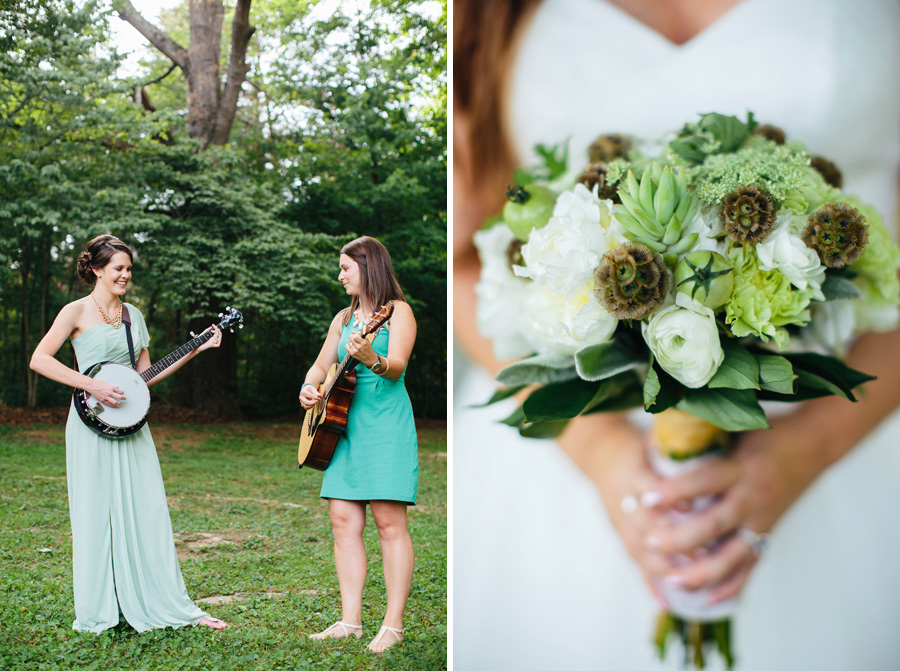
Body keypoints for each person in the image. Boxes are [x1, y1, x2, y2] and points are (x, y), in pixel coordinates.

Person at [453, 0, 900, 669]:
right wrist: (604, 456)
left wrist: (804, 452)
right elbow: (464, 250)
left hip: (849, 439)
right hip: (565, 465)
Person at [29, 234, 228, 633]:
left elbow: (144, 377)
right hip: (89, 421)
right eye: (118, 268)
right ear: (98, 270)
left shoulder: (132, 316)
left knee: (147, 509)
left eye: (129, 269)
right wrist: (92, 386)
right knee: (94, 512)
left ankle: (166, 603)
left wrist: (195, 349)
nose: (125, 275)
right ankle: (100, 610)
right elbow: (39, 359)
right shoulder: (75, 311)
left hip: (132, 426)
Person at [298, 235, 418, 653]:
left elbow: (396, 368)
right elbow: (319, 364)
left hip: (385, 426)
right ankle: (350, 620)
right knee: (343, 523)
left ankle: (393, 624)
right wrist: (309, 387)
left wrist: (371, 357)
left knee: (390, 525)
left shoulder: (398, 313)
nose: (340, 275)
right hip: (340, 427)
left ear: (368, 268)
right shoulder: (343, 317)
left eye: (345, 267)